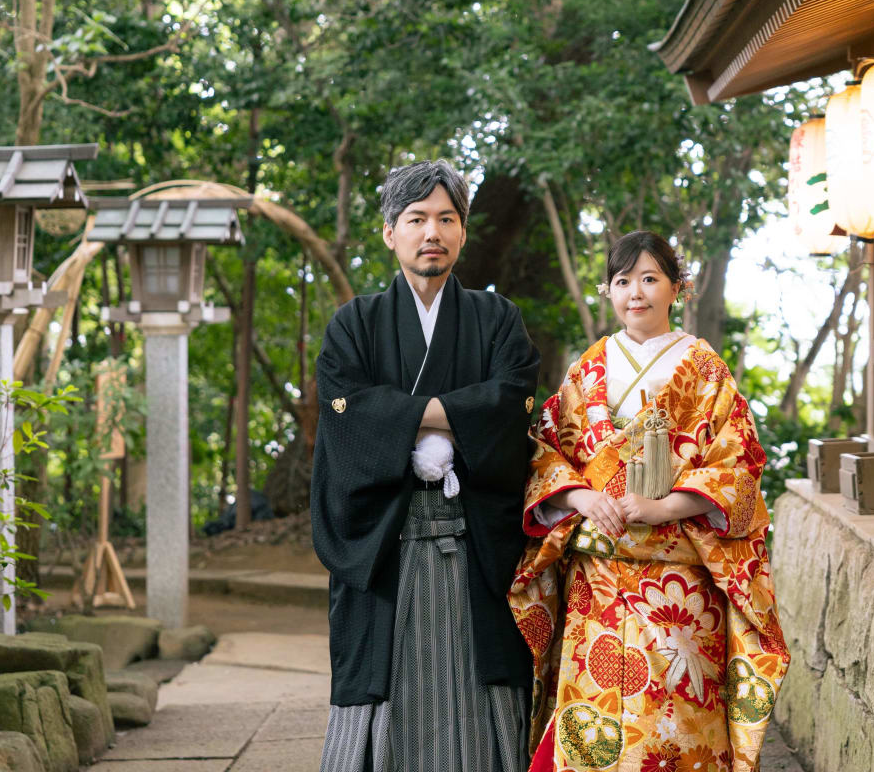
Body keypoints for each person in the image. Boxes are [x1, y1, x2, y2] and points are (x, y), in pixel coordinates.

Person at [508, 230, 788, 772]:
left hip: (680, 587)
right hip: (599, 584)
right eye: (622, 280)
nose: (635, 291)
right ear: (607, 291)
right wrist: (585, 497)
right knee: (595, 730)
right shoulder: (586, 370)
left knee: (675, 731)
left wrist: (666, 508)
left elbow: (740, 462)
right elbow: (545, 451)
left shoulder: (705, 369)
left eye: (650, 278)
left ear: (677, 288)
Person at [312, 160, 540, 772]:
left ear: (464, 231)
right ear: (390, 232)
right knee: (382, 691)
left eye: (446, 218)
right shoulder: (352, 325)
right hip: (388, 544)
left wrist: (405, 414)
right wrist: (455, 412)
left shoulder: (498, 321)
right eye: (415, 218)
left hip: (474, 543)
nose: (430, 231)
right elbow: (346, 413)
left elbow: (511, 398)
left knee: (481, 691)